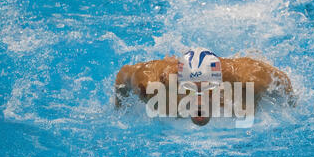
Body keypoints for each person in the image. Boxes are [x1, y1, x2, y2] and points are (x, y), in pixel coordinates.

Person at [114, 47, 295, 126]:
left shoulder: (251, 80)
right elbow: (123, 75)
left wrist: (292, 108)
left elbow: (285, 85)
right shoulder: (150, 85)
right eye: (190, 89)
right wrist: (119, 109)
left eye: (208, 89)